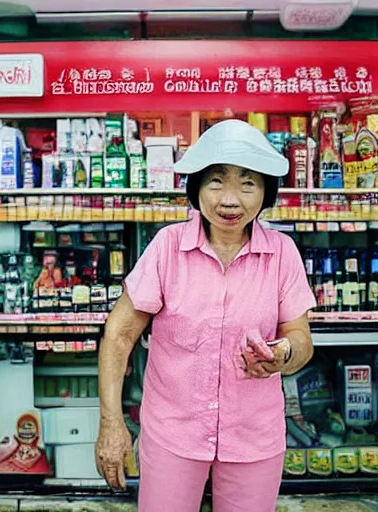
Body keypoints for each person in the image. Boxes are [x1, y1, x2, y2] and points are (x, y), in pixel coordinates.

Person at [95, 119, 317, 512]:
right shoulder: (167, 248)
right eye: (216, 181)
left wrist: (282, 354)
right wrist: (111, 424)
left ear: (266, 192)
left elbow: (300, 338)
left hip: (254, 438)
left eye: (247, 183)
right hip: (172, 436)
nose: (230, 200)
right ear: (195, 188)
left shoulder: (282, 253)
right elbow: (119, 335)